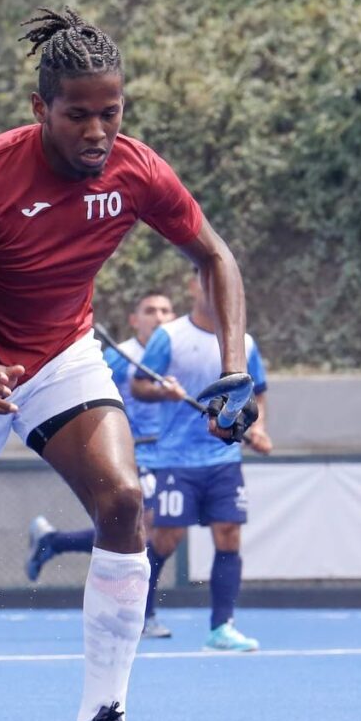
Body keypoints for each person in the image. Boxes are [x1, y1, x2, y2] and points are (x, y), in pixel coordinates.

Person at [0, 6, 255, 721]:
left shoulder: (137, 171)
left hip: (61, 358)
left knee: (123, 501)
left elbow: (215, 255)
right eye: (77, 115)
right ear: (39, 110)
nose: (97, 131)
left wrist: (232, 368)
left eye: (111, 114)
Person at [131, 269, 272, 651]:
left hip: (224, 458)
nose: (214, 288)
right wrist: (163, 392)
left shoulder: (242, 342)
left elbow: (256, 393)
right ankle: (138, 615)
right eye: (206, 280)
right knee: (164, 537)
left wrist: (259, 429)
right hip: (175, 458)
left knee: (229, 533)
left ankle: (221, 627)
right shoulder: (170, 336)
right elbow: (138, 385)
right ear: (194, 287)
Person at [25, 291, 179, 638]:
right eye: (150, 310)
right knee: (152, 528)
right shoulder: (118, 358)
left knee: (163, 534)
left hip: (175, 454)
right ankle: (141, 615)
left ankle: (55, 541)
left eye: (166, 310)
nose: (159, 316)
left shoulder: (178, 354)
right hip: (137, 453)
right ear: (134, 319)